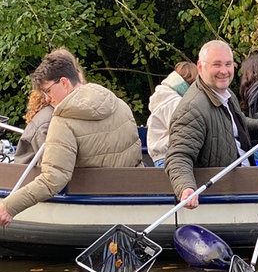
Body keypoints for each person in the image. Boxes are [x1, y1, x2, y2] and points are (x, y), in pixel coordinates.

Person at [0, 48, 142, 227]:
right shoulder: (120, 104)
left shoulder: (63, 120)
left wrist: (9, 206)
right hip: (130, 201)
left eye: (48, 91)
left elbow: (53, 179)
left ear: (65, 83)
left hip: (91, 210)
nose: (47, 98)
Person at [165, 40, 258, 209]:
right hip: (223, 198)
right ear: (200, 67)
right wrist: (186, 188)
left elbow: (234, 125)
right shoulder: (192, 108)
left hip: (243, 185)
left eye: (228, 64)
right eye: (216, 65)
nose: (224, 71)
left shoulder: (224, 93)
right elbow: (178, 156)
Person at [14, 48, 86, 165]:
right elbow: (52, 167)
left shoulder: (65, 115)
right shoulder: (47, 122)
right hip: (31, 178)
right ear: (65, 83)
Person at [146, 61, 198, 167]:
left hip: (160, 156)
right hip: (170, 156)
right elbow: (183, 132)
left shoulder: (164, 96)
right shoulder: (175, 103)